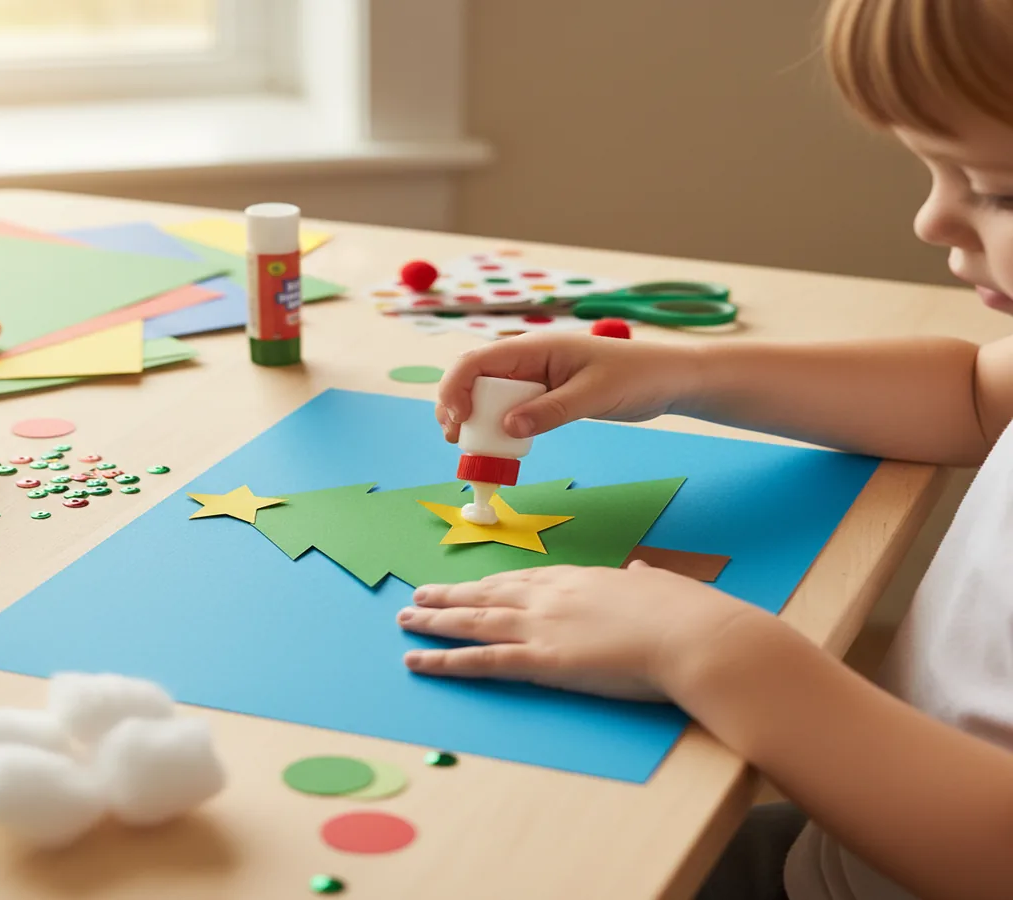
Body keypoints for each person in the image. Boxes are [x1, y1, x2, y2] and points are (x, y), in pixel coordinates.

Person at [396, 1, 1013, 898]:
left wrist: (710, 650)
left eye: (999, 188)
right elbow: (969, 393)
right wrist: (680, 372)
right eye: (934, 171)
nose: (933, 220)